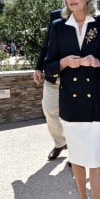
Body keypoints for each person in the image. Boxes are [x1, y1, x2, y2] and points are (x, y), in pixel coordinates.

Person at [45, 0, 100, 199]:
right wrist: (63, 63)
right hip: (70, 102)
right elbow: (48, 63)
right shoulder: (58, 26)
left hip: (96, 102)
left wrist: (98, 62)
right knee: (76, 156)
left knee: (94, 156)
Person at [33, 9, 68, 161]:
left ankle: (76, 149)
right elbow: (46, 44)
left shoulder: (90, 17)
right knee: (49, 110)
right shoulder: (56, 16)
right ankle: (60, 142)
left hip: (76, 78)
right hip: (53, 75)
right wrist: (38, 67)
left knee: (74, 117)